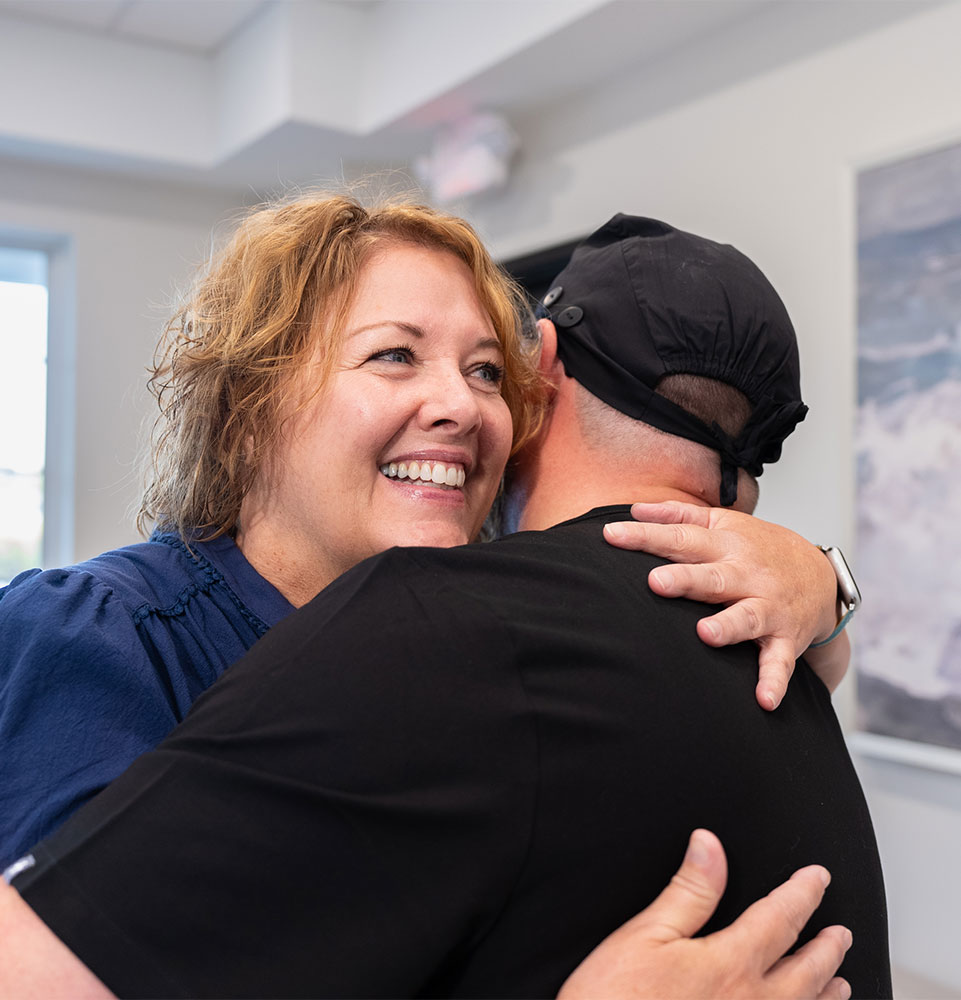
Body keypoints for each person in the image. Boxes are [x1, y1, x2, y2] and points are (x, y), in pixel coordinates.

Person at [1, 214, 889, 999]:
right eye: (395, 355)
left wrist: (825, 584)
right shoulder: (103, 633)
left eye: (488, 371)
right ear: (253, 399)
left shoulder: (477, 634)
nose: (461, 406)